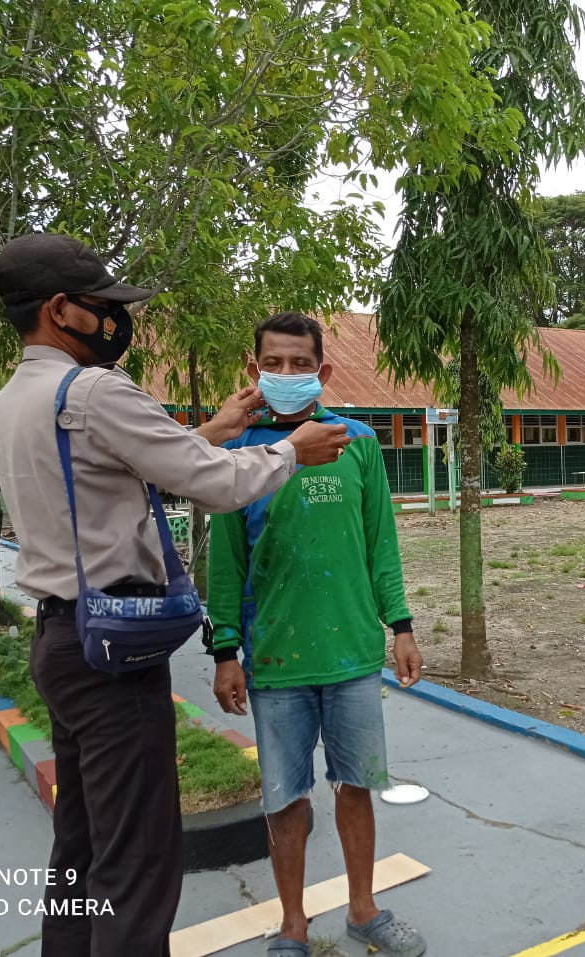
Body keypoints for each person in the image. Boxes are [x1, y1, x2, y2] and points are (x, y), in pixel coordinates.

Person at [0, 233, 351, 957]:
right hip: (111, 654)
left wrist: (215, 430)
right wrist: (290, 450)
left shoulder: (14, 398)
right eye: (102, 306)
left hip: (60, 639)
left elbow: (127, 471)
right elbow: (212, 484)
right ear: (60, 310)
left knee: (82, 842)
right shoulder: (94, 391)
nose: (114, 319)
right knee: (138, 859)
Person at [206, 311, 427, 957]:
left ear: (322, 370)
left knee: (357, 786)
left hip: (353, 653)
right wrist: (226, 650)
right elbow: (226, 564)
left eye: (300, 363)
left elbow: (380, 542)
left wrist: (401, 625)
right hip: (275, 658)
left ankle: (364, 910)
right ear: (253, 370)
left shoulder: (357, 441)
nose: (286, 373)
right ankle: (292, 925)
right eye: (273, 363)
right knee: (285, 801)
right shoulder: (238, 453)